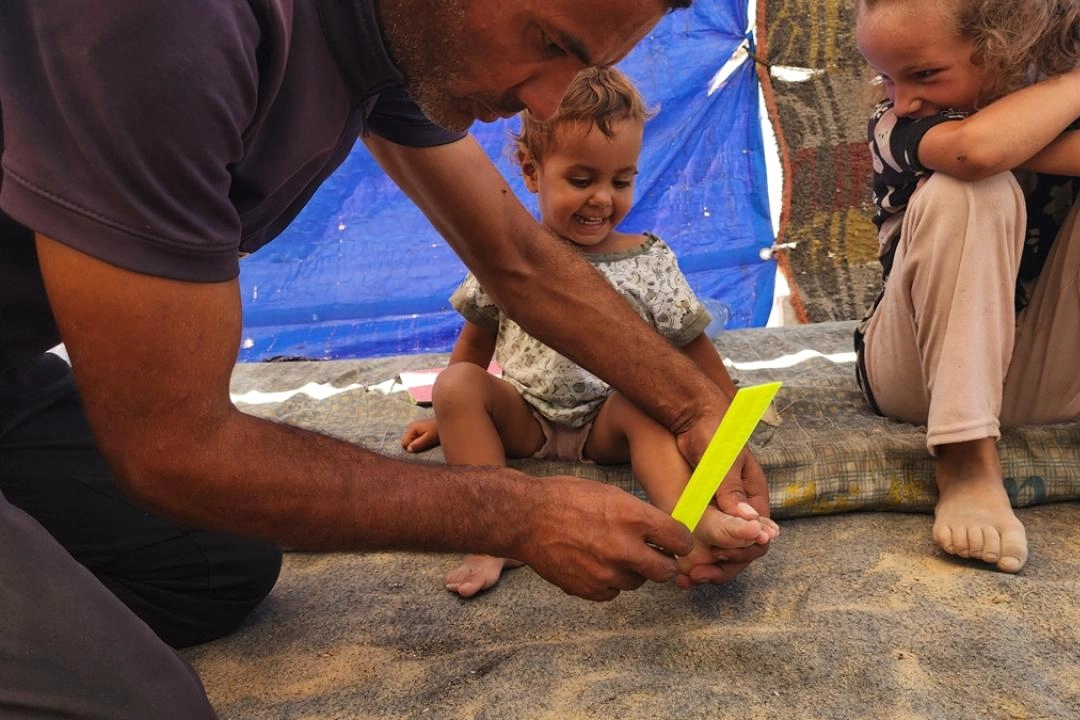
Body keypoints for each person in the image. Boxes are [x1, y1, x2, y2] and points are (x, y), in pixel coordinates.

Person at [0, 0, 773, 715]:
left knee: (216, 570)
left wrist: (696, 405)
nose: (546, 103)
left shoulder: (394, 31)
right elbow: (172, 449)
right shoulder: (171, 25)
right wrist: (520, 513)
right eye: (546, 43)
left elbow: (517, 259)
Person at [400, 67, 780, 597]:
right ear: (532, 171)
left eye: (621, 181)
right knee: (456, 385)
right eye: (582, 180)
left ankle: (689, 523)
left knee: (645, 405)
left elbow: (690, 346)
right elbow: (476, 341)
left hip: (607, 424)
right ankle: (493, 535)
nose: (603, 198)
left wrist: (727, 409)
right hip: (526, 416)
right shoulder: (506, 253)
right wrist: (450, 417)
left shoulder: (646, 261)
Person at [852, 0, 1080, 574]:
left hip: (1047, 381)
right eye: (886, 76)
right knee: (968, 186)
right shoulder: (896, 125)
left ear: (1010, 47)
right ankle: (966, 460)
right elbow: (977, 151)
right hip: (920, 380)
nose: (903, 97)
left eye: (924, 74)